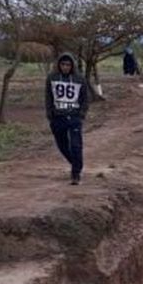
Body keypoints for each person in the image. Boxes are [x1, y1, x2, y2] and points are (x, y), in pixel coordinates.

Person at [45, 53, 90, 185]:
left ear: (72, 66)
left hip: (74, 117)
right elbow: (48, 97)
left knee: (76, 145)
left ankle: (75, 173)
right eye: (63, 64)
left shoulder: (79, 79)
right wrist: (50, 114)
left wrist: (81, 114)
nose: (65, 67)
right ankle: (76, 163)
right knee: (62, 146)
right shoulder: (52, 78)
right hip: (58, 117)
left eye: (68, 65)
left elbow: (85, 98)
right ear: (59, 65)